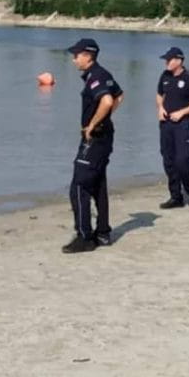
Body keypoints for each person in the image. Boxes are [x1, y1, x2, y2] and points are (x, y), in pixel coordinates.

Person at [64, 38, 123, 254]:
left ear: (88, 56)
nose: (74, 59)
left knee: (79, 186)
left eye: (76, 55)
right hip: (102, 136)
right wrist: (104, 119)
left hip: (96, 138)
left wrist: (93, 124)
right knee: (98, 183)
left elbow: (108, 101)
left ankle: (84, 237)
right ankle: (103, 233)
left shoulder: (97, 76)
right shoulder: (99, 74)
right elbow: (119, 96)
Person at [156, 47, 189, 211]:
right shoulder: (165, 76)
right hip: (166, 124)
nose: (166, 62)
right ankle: (175, 197)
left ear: (178, 61)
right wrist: (160, 108)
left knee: (182, 161)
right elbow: (159, 95)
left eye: (169, 60)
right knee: (168, 160)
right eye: (165, 60)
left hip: (182, 124)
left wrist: (182, 112)